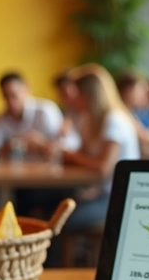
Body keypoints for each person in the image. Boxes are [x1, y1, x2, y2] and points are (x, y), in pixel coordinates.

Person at [60, 67, 142, 232]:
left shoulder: (115, 120)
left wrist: (69, 155)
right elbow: (83, 155)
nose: (72, 99)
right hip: (101, 192)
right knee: (53, 204)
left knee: (62, 219)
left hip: (120, 197)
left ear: (89, 95)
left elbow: (103, 168)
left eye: (77, 94)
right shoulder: (90, 119)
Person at [0, 71, 66, 158]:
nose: (10, 101)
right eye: (5, 96)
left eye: (13, 95)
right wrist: (12, 146)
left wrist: (41, 144)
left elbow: (62, 147)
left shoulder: (46, 111)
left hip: (48, 166)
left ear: (27, 88)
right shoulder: (1, 118)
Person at [116, 70, 149, 158]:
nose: (143, 94)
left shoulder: (131, 113)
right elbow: (144, 136)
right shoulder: (120, 113)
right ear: (127, 91)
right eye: (139, 90)